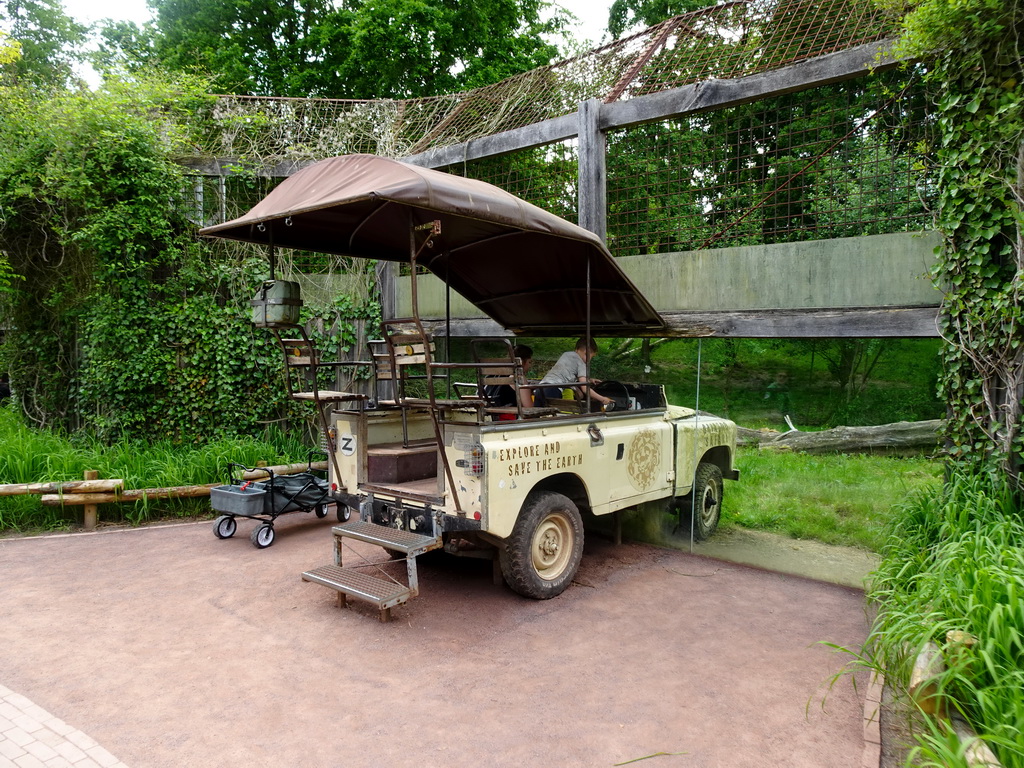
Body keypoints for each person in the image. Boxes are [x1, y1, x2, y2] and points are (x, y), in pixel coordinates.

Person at [537, 337, 614, 409]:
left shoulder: (566, 354)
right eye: (591, 357)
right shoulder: (581, 363)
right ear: (587, 353)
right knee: (552, 419)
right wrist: (602, 399)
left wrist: (589, 380)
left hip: (540, 388)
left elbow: (568, 373)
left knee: (536, 417)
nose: (589, 360)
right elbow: (585, 388)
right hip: (553, 390)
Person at [484, 344, 535, 415]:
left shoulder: (493, 375)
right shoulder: (518, 378)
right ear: (522, 362)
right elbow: (529, 407)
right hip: (508, 416)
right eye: (529, 362)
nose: (530, 366)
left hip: (490, 412)